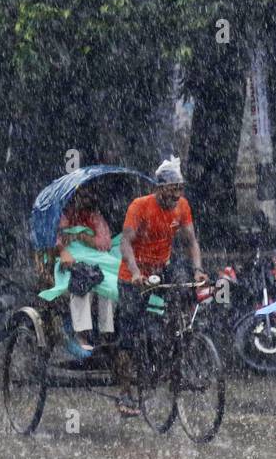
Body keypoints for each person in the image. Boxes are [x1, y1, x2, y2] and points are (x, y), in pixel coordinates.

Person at [115, 157, 206, 416]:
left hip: (160, 269)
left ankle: (173, 360)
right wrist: (134, 272)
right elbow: (125, 243)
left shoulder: (182, 207)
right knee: (129, 337)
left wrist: (198, 270)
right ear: (159, 188)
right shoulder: (140, 207)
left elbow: (191, 241)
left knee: (181, 303)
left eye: (180, 188)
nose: (177, 194)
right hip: (133, 276)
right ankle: (125, 393)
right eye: (172, 189)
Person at [56, 187, 114, 352]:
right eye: (82, 195)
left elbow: (104, 244)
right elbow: (58, 240)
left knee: (107, 288)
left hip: (93, 264)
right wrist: (64, 250)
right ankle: (81, 333)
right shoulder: (65, 217)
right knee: (80, 285)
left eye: (88, 195)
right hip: (71, 264)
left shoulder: (95, 218)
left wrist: (81, 236)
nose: (86, 198)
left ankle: (105, 333)